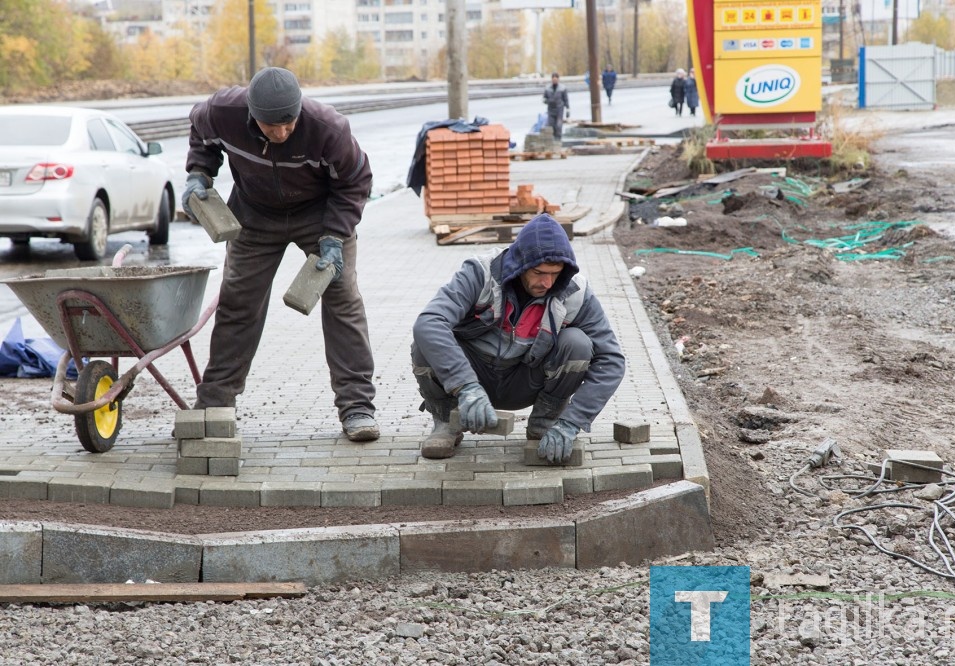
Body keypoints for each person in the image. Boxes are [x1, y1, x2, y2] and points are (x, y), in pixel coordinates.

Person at [181, 67, 381, 442]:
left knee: (342, 298)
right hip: (254, 215)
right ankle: (215, 403)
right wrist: (198, 174)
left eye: (289, 123)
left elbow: (355, 181)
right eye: (272, 126)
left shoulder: (327, 129)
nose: (282, 132)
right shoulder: (222, 111)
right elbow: (201, 136)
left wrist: (335, 236)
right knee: (238, 301)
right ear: (252, 115)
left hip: (320, 216)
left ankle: (357, 407)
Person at [410, 213, 626, 462]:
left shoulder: (575, 292)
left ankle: (547, 424)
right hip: (470, 380)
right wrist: (466, 385)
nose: (547, 282)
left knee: (577, 343)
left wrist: (572, 422)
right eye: (538, 272)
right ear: (521, 263)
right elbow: (429, 322)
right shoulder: (481, 273)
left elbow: (611, 360)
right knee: (426, 342)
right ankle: (447, 421)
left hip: (525, 381)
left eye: (555, 273)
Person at [542, 72, 570, 141]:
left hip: (559, 109)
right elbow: (544, 98)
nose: (554, 81)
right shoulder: (548, 88)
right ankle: (552, 140)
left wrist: (568, 109)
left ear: (558, 79)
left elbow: (565, 99)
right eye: (553, 79)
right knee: (551, 125)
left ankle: (558, 140)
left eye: (556, 79)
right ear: (551, 79)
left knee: (558, 125)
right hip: (551, 109)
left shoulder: (562, 88)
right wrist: (546, 101)